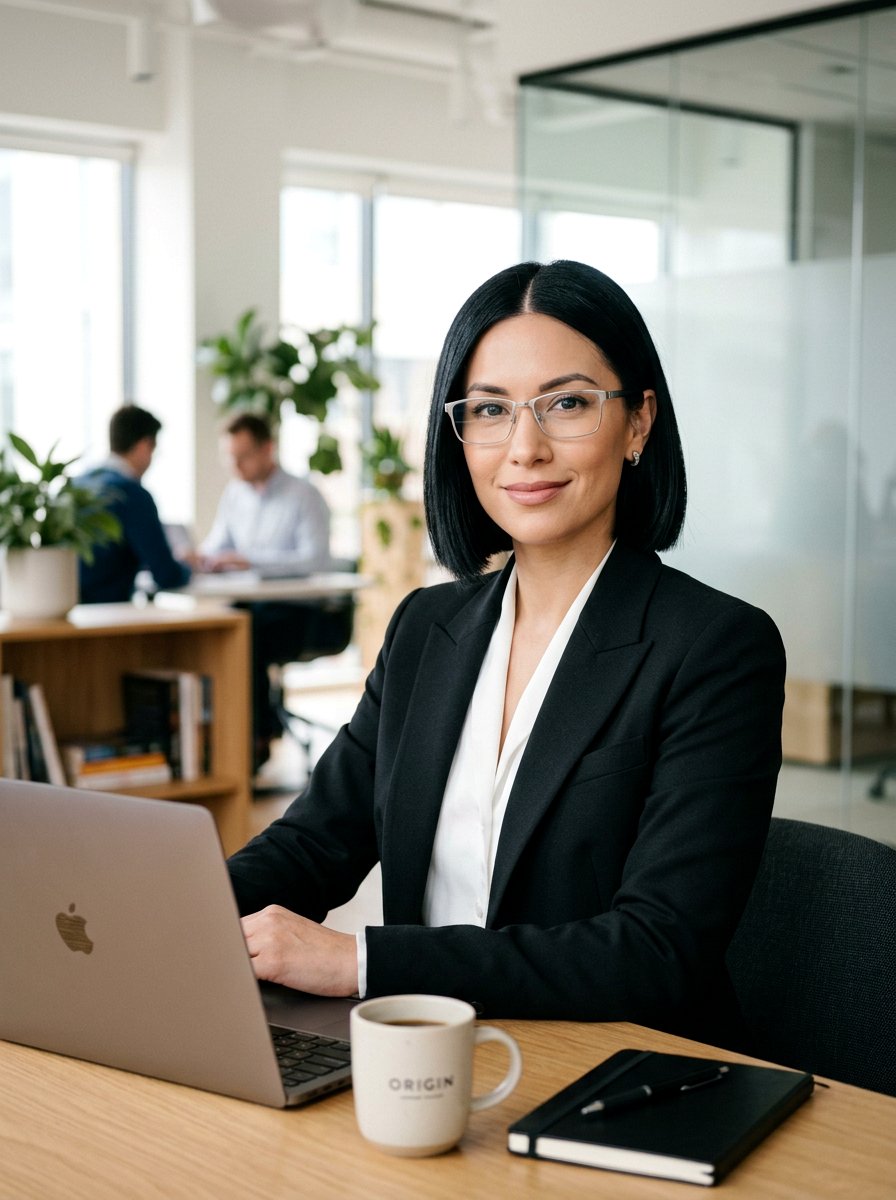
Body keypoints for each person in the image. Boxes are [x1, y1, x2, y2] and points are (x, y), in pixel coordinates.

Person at [226, 260, 785, 1049]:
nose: (524, 447)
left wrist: (364, 961)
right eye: (489, 410)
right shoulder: (426, 628)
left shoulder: (716, 647)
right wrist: (183, 913)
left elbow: (659, 951)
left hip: (616, 1075)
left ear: (637, 423)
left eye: (566, 404)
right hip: (424, 1058)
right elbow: (317, 840)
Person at [199, 413, 333, 771]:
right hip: (249, 606)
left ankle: (256, 737)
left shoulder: (303, 495)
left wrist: (249, 561)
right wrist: (202, 559)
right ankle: (224, 738)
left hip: (297, 612)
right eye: (230, 457)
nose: (236, 466)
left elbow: (314, 560)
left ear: (267, 449)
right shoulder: (234, 495)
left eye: (243, 456)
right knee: (216, 628)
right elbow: (217, 546)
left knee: (245, 635)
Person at [76, 405, 192, 603]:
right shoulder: (131, 494)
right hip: (109, 614)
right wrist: (186, 566)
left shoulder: (78, 484)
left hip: (71, 610)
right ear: (145, 445)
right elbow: (166, 576)